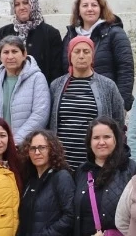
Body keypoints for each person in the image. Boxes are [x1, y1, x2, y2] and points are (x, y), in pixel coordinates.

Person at [49, 35, 127, 169]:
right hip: (63, 162)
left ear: (92, 56)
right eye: (77, 51)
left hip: (95, 162)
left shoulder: (108, 86)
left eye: (86, 52)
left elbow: (118, 122)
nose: (81, 56)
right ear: (70, 56)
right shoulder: (56, 85)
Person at [61, 0, 135, 102]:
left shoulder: (114, 33)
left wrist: (122, 103)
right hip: (75, 99)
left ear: (101, 9)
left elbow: (125, 69)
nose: (90, 9)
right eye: (85, 5)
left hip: (105, 100)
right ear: (78, 11)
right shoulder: (70, 36)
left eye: (94, 5)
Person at [0, 0, 63, 86]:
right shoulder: (1, 34)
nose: (21, 7)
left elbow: (56, 73)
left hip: (39, 94)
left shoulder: (50, 34)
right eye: (17, 4)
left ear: (33, 4)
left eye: (26, 3)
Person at [0, 36, 50, 146]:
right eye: (6, 52)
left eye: (15, 51)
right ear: (0, 56)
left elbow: (40, 114)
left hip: (26, 146)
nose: (10, 56)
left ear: (24, 54)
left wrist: (15, 142)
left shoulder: (37, 78)